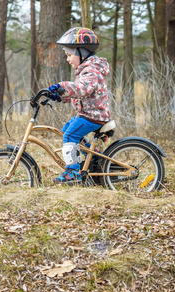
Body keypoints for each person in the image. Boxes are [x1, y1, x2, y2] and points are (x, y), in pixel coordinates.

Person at [48, 27, 111, 184]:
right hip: (89, 114)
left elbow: (82, 88)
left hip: (93, 116)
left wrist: (61, 86)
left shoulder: (91, 70)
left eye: (70, 55)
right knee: (67, 130)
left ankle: (73, 171)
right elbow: (82, 94)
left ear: (82, 53)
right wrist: (60, 97)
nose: (68, 60)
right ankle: (94, 154)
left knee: (70, 135)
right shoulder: (86, 69)